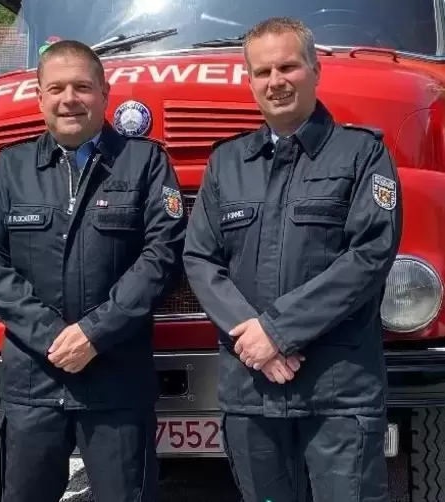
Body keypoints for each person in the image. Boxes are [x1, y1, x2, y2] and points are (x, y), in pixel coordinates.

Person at [183, 17, 402, 502]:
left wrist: (277, 332)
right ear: (250, 80)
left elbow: (369, 255)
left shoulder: (361, 154)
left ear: (315, 69)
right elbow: (199, 258)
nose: (275, 82)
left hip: (338, 392)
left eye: (287, 66)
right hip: (253, 389)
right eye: (262, 72)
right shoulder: (227, 162)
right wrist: (252, 333)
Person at [0, 39, 187, 501]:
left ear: (105, 93)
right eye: (57, 87)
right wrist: (49, 334)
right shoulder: (11, 168)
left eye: (82, 86)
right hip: (33, 381)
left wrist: (95, 333)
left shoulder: (144, 162)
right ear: (40, 96)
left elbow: (162, 256)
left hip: (116, 379)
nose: (70, 98)